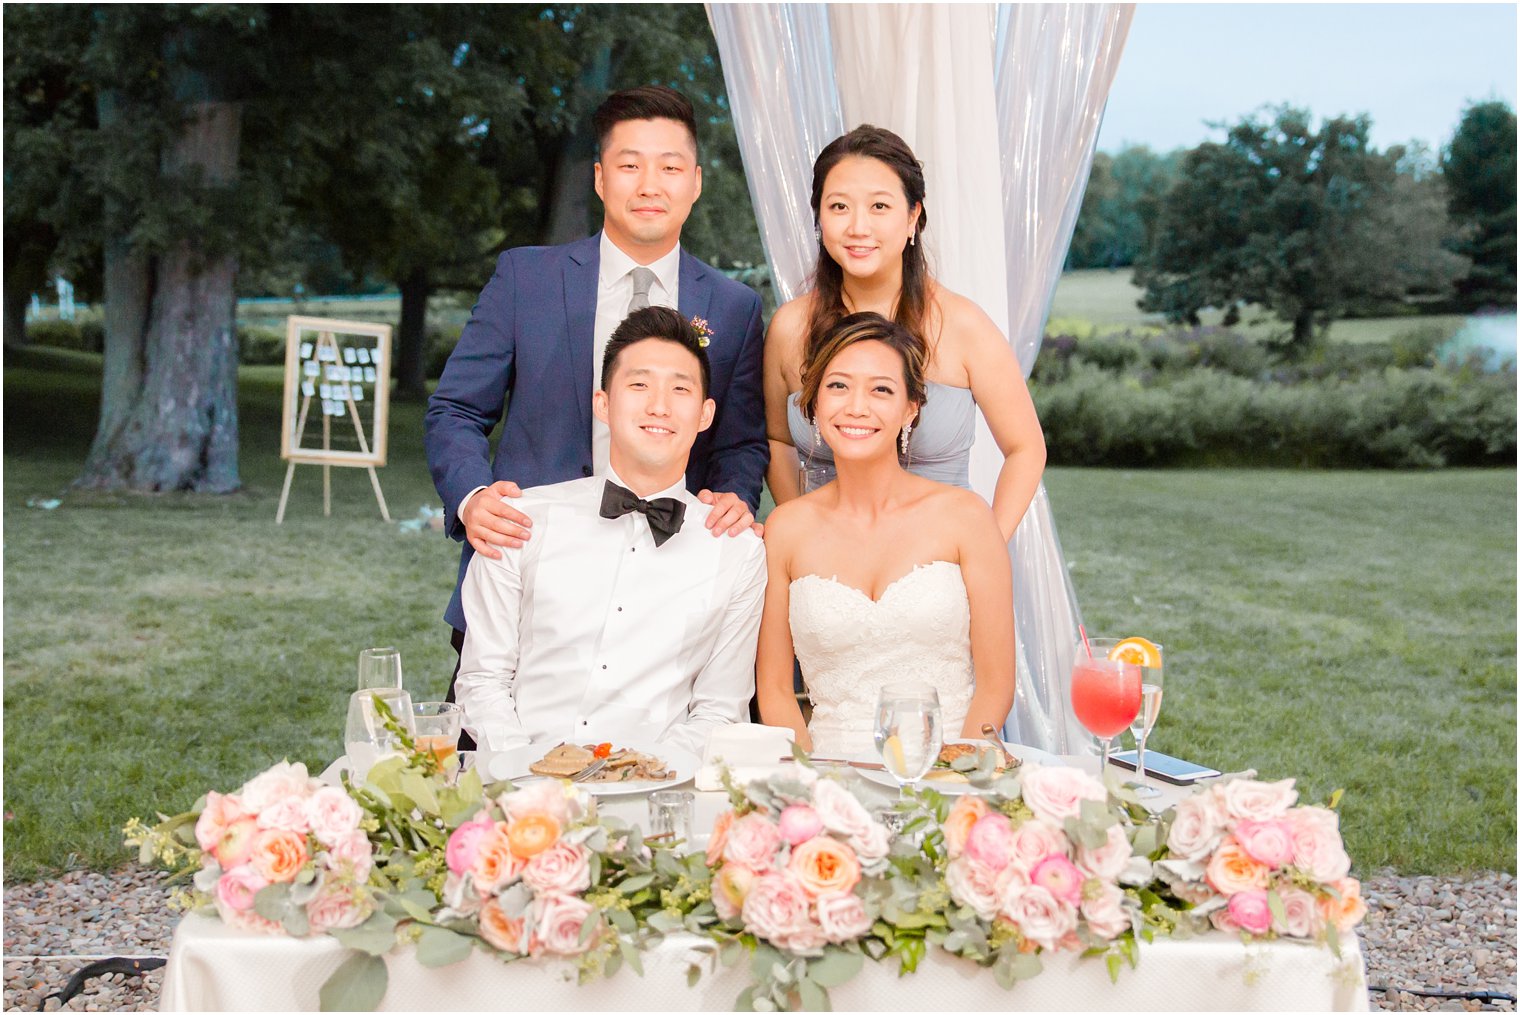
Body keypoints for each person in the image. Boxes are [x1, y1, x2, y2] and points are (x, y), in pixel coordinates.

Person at [426, 86, 768, 747]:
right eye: (630, 163)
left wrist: (734, 496)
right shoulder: (526, 277)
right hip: (524, 593)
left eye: (670, 166)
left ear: (694, 183)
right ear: (600, 176)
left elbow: (741, 438)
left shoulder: (731, 307)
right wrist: (472, 498)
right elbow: (455, 407)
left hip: (663, 618)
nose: (650, 183)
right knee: (479, 801)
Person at [456, 307, 767, 756]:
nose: (659, 405)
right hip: (521, 786)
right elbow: (483, 681)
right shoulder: (520, 520)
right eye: (639, 385)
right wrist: (528, 773)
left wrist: (643, 779)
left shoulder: (736, 550)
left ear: (705, 414)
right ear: (603, 403)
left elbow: (719, 711)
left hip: (659, 796)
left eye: (680, 389)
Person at [762, 124, 1045, 539]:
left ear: (913, 216)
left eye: (879, 207)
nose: (858, 227)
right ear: (819, 217)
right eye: (839, 207)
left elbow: (1026, 449)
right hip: (825, 561)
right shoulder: (791, 326)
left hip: (939, 566)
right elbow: (778, 440)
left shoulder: (962, 324)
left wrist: (985, 548)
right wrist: (808, 535)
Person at [756, 312, 1015, 755]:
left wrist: (956, 777)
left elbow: (996, 686)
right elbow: (775, 691)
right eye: (838, 386)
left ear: (910, 408)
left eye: (881, 389)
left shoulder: (966, 517)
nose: (857, 406)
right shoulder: (786, 529)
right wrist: (810, 782)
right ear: (813, 403)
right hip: (829, 775)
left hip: (949, 772)